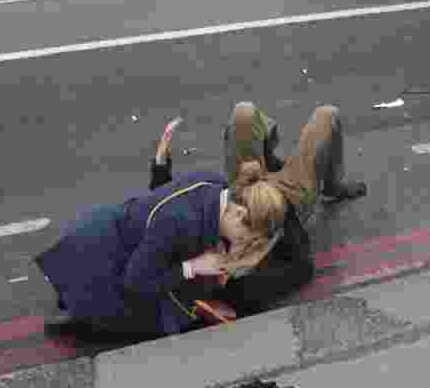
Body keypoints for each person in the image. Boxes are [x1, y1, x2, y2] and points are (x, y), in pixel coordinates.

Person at [151, 103, 367, 320]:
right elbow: (303, 267)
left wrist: (161, 166)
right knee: (327, 115)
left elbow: (168, 211)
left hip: (247, 183)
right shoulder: (247, 286)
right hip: (287, 199)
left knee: (243, 112)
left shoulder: (201, 245)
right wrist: (281, 213)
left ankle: (267, 156)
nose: (239, 216)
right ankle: (331, 185)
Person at [37, 157, 288, 339]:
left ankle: (75, 306)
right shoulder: (179, 223)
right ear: (239, 213)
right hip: (101, 259)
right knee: (149, 322)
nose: (244, 244)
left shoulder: (216, 184)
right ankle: (83, 320)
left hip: (119, 234)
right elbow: (135, 282)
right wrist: (191, 268)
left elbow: (163, 201)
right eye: (246, 237)